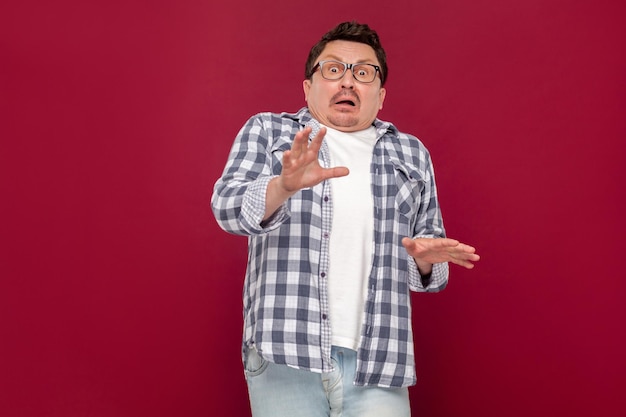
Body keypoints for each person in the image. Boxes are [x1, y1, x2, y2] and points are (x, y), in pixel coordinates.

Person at [211, 21, 480, 417]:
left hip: (378, 363)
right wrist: (282, 186)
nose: (348, 82)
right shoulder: (269, 131)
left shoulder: (411, 155)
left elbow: (428, 271)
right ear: (308, 86)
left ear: (381, 94)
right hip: (285, 352)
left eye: (364, 73)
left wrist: (424, 260)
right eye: (333, 69)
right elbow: (227, 207)